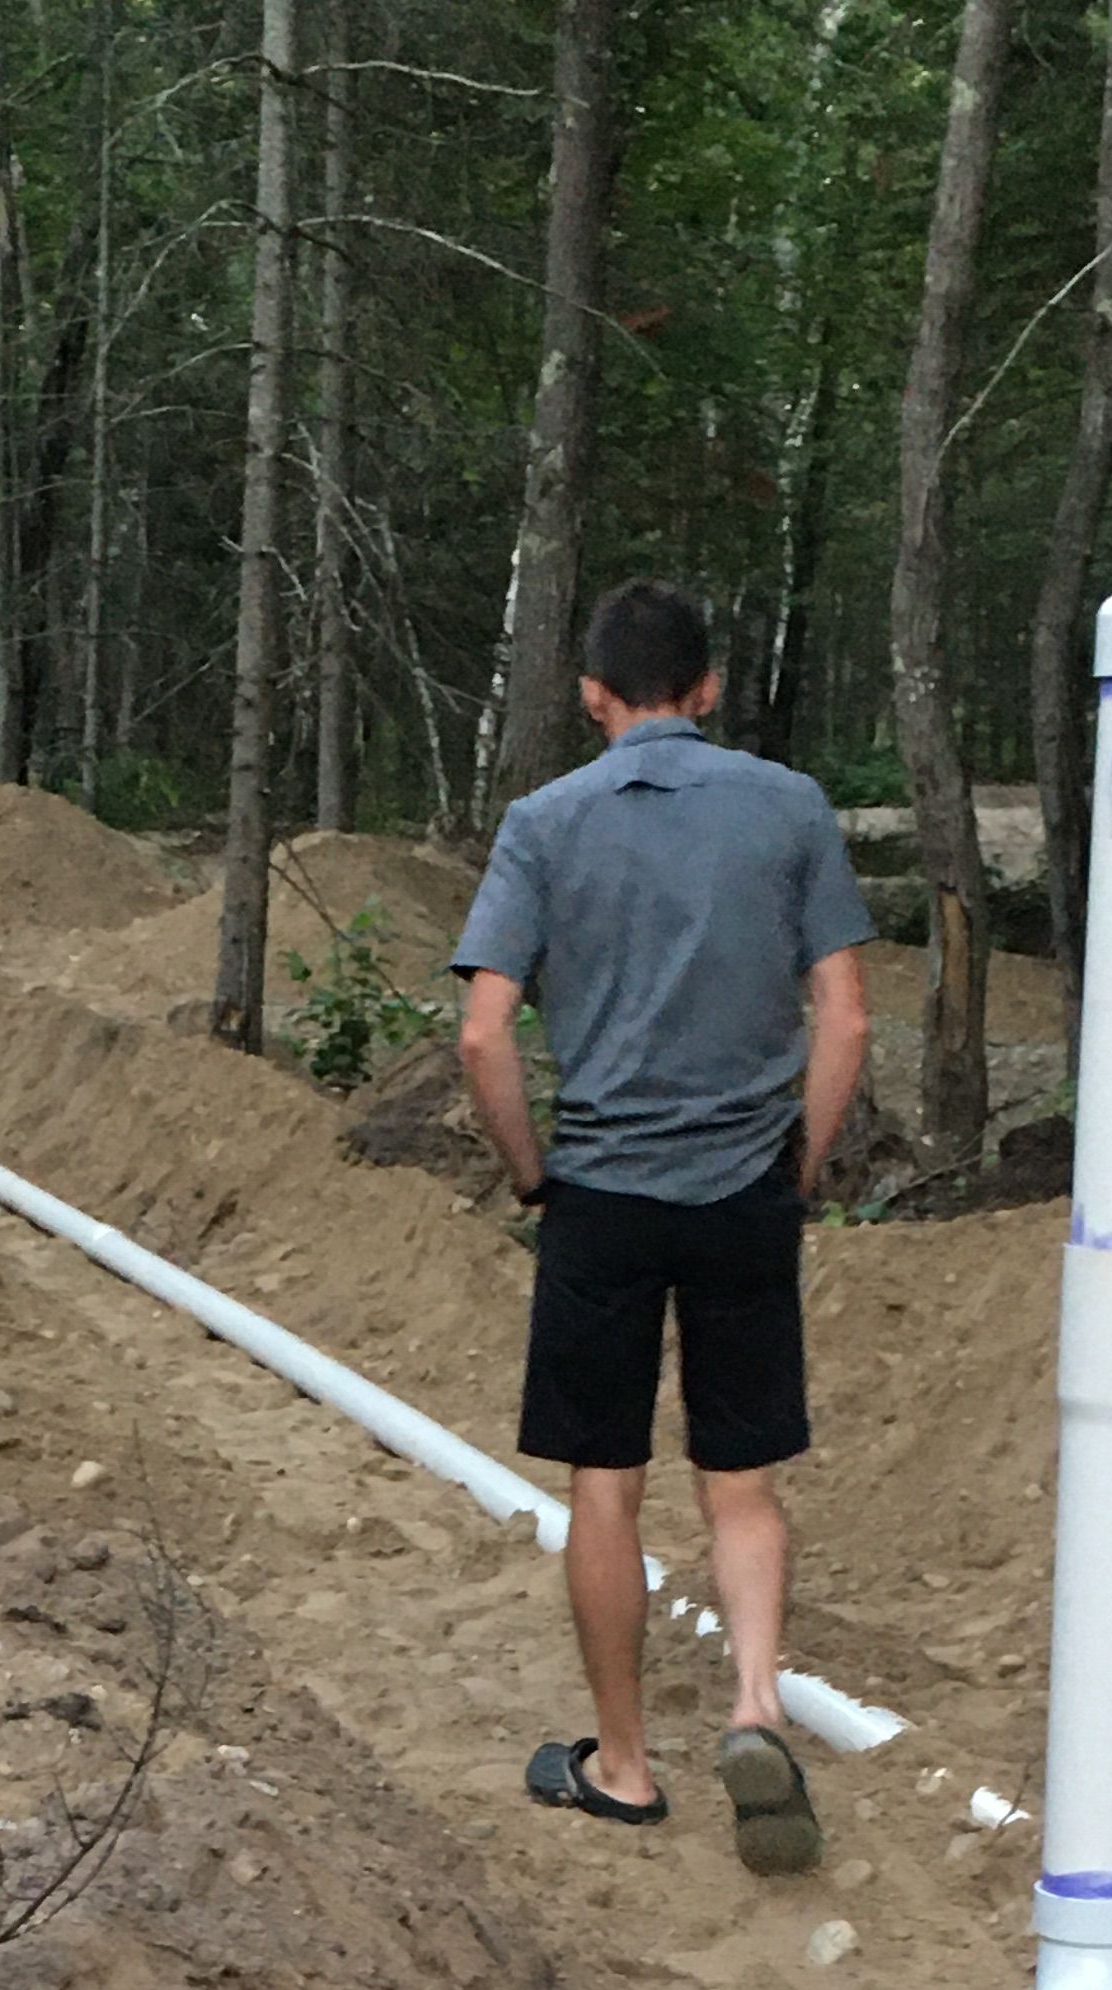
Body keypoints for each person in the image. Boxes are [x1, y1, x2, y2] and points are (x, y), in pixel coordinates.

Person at [453, 578, 873, 1875]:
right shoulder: (792, 810)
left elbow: (483, 1036)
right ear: (708, 689)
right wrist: (797, 1162)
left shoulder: (542, 825)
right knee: (739, 1485)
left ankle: (624, 1771)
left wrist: (535, 1176)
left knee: (605, 1486)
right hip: (744, 1188)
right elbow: (847, 1018)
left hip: (604, 1200)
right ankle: (755, 1706)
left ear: (591, 698)